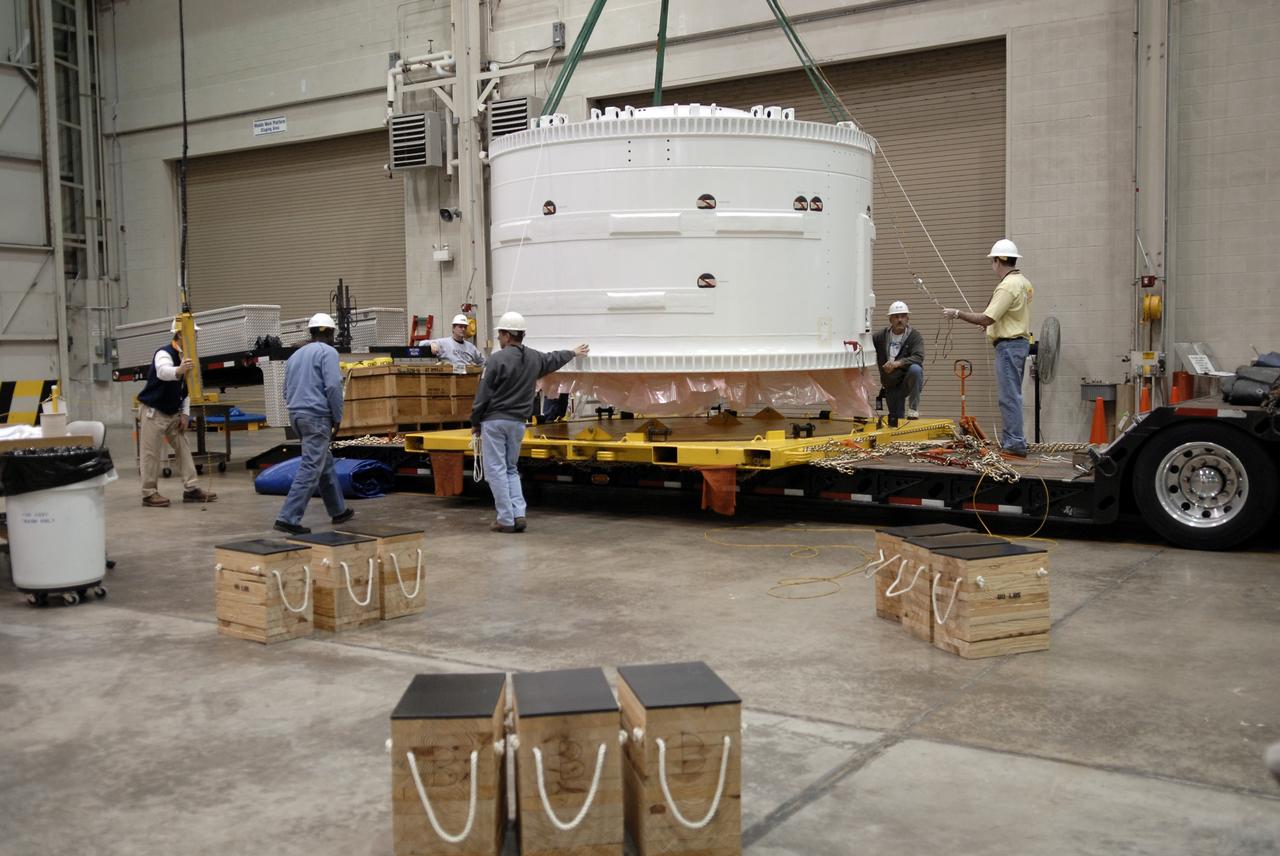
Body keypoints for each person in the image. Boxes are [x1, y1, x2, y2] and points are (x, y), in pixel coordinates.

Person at [470, 311, 588, 533]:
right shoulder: (534, 358)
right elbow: (553, 359)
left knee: (496, 470)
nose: (498, 338)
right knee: (511, 469)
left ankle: (505, 520)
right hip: (517, 423)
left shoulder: (496, 360)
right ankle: (518, 514)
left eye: (500, 334)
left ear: (507, 335)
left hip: (495, 421)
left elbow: (483, 395)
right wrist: (573, 352)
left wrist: (475, 422)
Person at [943, 239, 1034, 456]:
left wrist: (957, 313)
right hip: (1018, 345)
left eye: (993, 261)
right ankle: (1014, 440)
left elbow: (986, 317)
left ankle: (1014, 443)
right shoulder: (1024, 283)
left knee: (1009, 396)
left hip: (1009, 347)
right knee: (1013, 395)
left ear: (998, 261)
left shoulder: (1007, 286)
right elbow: (1012, 313)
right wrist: (992, 325)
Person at [274, 312, 354, 535]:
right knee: (311, 467)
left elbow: (285, 390)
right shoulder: (328, 352)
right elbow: (333, 386)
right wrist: (337, 416)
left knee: (323, 462)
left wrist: (298, 408)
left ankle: (338, 510)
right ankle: (288, 518)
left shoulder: (295, 355)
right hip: (316, 418)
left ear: (311, 332)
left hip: (297, 416)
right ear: (331, 333)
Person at [138, 321, 217, 507]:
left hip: (173, 412)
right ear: (180, 334)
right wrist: (179, 370)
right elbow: (162, 372)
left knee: (183, 448)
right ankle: (149, 493)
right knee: (150, 453)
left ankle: (191, 489)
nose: (196, 337)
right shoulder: (164, 353)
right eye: (193, 333)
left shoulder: (189, 357)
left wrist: (185, 414)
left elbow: (186, 388)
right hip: (154, 410)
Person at [872, 300, 925, 420]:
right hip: (890, 383)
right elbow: (865, 347)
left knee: (916, 369)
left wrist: (897, 363)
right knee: (896, 419)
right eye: (896, 317)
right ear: (890, 319)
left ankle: (913, 409)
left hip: (906, 381)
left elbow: (919, 357)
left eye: (903, 316)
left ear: (907, 319)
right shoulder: (880, 337)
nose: (900, 320)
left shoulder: (914, 336)